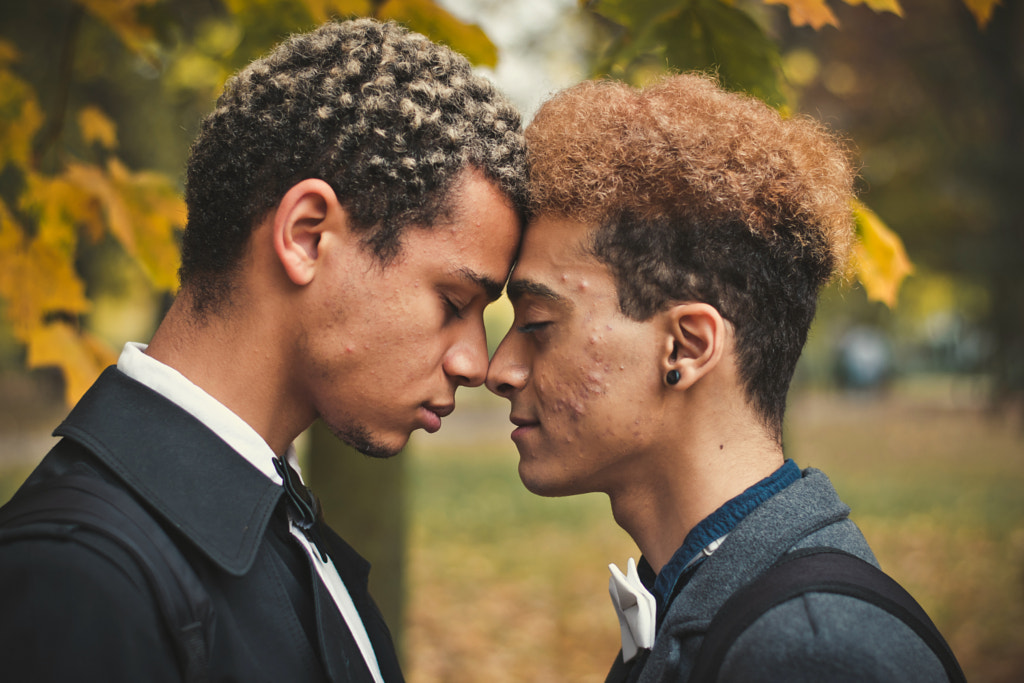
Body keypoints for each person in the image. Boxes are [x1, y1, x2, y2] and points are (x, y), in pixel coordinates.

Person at [0, 18, 526, 682]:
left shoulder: (280, 530)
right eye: (453, 303)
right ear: (307, 236)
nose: (474, 362)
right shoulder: (79, 577)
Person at [486, 74, 961, 682]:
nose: (499, 369)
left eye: (538, 322)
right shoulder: (694, 595)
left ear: (685, 346)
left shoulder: (815, 655)